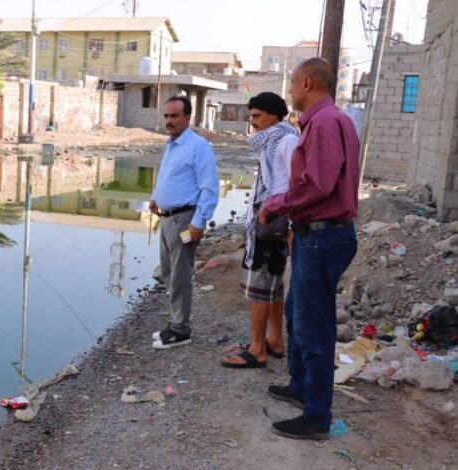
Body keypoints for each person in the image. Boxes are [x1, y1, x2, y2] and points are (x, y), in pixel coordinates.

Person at [259, 57, 360, 440]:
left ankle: (317, 416)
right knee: (297, 313)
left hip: (322, 235)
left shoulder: (326, 122)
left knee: (313, 325)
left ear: (305, 83)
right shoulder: (330, 121)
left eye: (290, 83)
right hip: (315, 234)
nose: (288, 92)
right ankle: (301, 388)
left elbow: (316, 185)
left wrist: (274, 204)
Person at [221, 92, 298, 369]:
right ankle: (274, 340)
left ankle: (257, 349)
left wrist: (289, 224)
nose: (252, 122)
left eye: (257, 116)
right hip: (268, 223)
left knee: (259, 288)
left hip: (273, 224)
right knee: (273, 287)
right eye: (251, 115)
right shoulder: (272, 141)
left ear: (275, 115)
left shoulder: (286, 141)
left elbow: (295, 184)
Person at [149, 95, 219, 350]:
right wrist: (156, 197)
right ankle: (175, 320)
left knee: (180, 274)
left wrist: (199, 223)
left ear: (187, 118)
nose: (169, 121)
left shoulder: (199, 146)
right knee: (168, 272)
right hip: (167, 220)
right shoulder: (172, 144)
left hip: (186, 222)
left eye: (175, 115)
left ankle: (181, 330)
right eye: (166, 116)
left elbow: (209, 188)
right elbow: (168, 176)